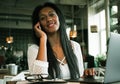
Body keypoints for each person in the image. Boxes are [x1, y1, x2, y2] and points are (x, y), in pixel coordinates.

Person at [27, 2, 95, 80]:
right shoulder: (34, 49)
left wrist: (87, 75)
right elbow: (38, 78)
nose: (48, 19)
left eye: (51, 14)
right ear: (39, 25)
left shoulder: (75, 46)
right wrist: (43, 38)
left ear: (59, 17)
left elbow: (79, 76)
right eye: (43, 18)